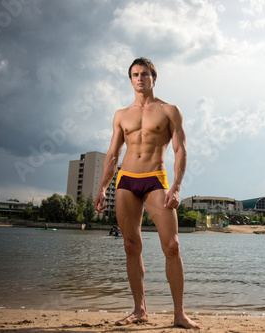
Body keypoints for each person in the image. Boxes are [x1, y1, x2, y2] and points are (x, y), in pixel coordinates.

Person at [94, 57, 200, 329]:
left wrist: (176, 186)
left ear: (154, 77)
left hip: (156, 180)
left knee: (172, 246)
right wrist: (103, 186)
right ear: (130, 80)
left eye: (144, 74)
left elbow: (180, 150)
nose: (139, 78)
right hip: (126, 180)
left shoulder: (170, 111)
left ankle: (179, 314)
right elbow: (113, 153)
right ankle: (139, 309)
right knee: (130, 246)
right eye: (134, 74)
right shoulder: (121, 115)